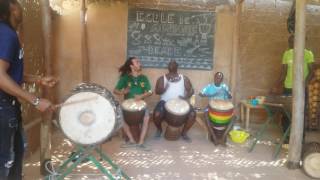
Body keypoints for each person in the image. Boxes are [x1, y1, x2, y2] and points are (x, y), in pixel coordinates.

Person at [0, 0, 57, 179]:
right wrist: (36, 100)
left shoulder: (7, 34)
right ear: (10, 9)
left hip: (7, 106)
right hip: (2, 108)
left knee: (15, 156)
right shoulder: (6, 34)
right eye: (17, 5)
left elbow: (8, 72)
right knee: (6, 162)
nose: (21, 8)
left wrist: (39, 80)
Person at [271, 35, 314, 135]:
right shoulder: (287, 54)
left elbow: (311, 72)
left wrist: (304, 85)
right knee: (286, 112)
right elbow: (283, 72)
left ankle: (300, 139)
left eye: (292, 42)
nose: (290, 44)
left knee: (301, 112)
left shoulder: (308, 54)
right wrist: (276, 85)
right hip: (288, 87)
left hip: (301, 89)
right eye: (289, 42)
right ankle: (286, 138)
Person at [114, 57, 152, 150]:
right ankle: (131, 140)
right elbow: (115, 90)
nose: (139, 64)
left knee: (147, 117)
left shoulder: (144, 78)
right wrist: (123, 92)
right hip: (127, 105)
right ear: (131, 66)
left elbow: (150, 91)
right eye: (137, 62)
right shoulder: (125, 78)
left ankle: (141, 142)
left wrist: (141, 96)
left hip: (141, 104)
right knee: (119, 115)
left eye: (139, 62)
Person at [153, 60, 196, 142]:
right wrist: (164, 89)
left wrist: (186, 96)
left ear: (177, 66)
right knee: (157, 114)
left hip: (181, 103)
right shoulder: (162, 78)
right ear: (168, 67)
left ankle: (184, 132)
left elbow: (191, 90)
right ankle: (159, 129)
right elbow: (157, 92)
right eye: (170, 64)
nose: (171, 65)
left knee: (192, 114)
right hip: (164, 102)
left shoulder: (184, 78)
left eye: (173, 64)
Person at [199, 72, 233, 146]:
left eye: (220, 78)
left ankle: (224, 136)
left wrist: (228, 93)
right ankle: (214, 137)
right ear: (214, 78)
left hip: (223, 108)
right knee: (205, 114)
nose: (218, 79)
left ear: (222, 80)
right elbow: (200, 94)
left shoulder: (224, 86)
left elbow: (230, 97)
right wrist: (211, 95)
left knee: (234, 117)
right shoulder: (209, 86)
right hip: (211, 107)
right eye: (217, 78)